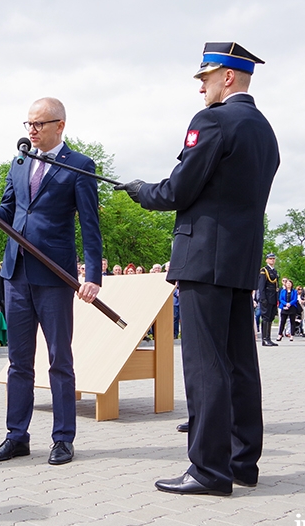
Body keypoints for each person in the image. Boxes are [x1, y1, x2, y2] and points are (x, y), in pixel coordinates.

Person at [114, 42, 278, 495]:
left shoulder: (213, 120)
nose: (200, 87)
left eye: (205, 78)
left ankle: (208, 470)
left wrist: (141, 189)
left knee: (205, 366)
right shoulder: (265, 130)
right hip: (241, 261)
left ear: (227, 76)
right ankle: (243, 462)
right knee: (240, 363)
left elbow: (179, 190)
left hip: (204, 258)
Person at [0, 96, 102, 466]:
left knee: (59, 360)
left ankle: (63, 439)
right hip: (15, 275)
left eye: (39, 124)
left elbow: (90, 227)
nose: (31, 131)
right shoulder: (19, 163)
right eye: (27, 125)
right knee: (18, 361)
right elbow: (6, 212)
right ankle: (16, 436)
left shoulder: (80, 166)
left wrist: (92, 276)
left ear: (60, 125)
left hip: (54, 275)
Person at [257, 253, 279, 346]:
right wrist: (262, 298)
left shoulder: (274, 271)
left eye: (273, 259)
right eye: (270, 259)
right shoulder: (264, 271)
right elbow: (261, 286)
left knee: (270, 318)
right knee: (265, 318)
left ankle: (268, 338)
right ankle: (265, 339)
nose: (272, 260)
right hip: (266, 297)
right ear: (266, 260)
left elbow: (276, 286)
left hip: (273, 297)